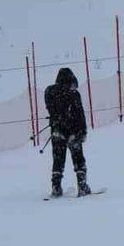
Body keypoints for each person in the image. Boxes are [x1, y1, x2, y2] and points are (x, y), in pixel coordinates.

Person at [45, 67, 91, 197]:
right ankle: (82, 186)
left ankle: (56, 187)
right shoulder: (74, 94)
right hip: (74, 132)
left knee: (58, 160)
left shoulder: (50, 92)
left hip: (57, 131)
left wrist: (58, 118)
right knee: (79, 159)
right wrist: (83, 131)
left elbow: (50, 109)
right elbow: (80, 114)